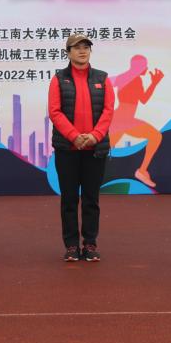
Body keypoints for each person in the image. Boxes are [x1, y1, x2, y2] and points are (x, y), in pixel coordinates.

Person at [48, 33, 116, 262]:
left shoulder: (102, 78)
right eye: (77, 47)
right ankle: (71, 245)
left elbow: (108, 111)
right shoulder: (59, 79)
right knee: (69, 199)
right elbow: (55, 112)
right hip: (67, 150)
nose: (82, 51)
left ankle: (90, 243)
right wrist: (74, 137)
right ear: (68, 52)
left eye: (86, 47)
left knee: (91, 199)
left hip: (94, 151)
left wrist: (95, 136)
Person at [108, 54, 165, 188]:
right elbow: (144, 99)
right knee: (155, 136)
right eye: (144, 66)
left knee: (106, 150)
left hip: (120, 119)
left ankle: (142, 171)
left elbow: (109, 81)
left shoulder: (126, 77)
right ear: (138, 67)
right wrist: (154, 83)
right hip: (123, 120)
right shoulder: (134, 79)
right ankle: (142, 171)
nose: (147, 68)